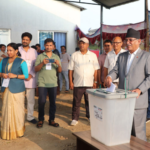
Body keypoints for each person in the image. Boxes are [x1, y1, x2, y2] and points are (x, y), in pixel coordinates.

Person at [105, 28, 150, 141]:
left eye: (131, 40)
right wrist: (110, 76)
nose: (128, 42)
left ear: (139, 41)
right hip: (123, 101)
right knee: (123, 133)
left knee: (138, 135)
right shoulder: (122, 56)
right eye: (127, 40)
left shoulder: (146, 56)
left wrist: (140, 89)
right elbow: (115, 70)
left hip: (138, 103)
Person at [68, 37, 100, 126]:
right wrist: (71, 82)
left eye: (84, 43)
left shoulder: (93, 55)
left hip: (90, 83)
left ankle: (90, 117)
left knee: (89, 101)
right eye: (80, 43)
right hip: (78, 83)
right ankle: (75, 118)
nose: (82, 45)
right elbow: (70, 70)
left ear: (88, 45)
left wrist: (96, 81)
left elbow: (96, 69)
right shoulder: (74, 55)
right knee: (76, 101)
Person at [0, 43, 28, 140]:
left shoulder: (22, 62)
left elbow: (26, 76)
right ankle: (6, 132)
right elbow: (0, 72)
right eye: (7, 50)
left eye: (11, 50)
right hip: (6, 89)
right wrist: (2, 74)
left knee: (18, 110)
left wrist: (15, 76)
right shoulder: (3, 61)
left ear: (16, 51)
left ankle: (19, 131)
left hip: (18, 90)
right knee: (5, 110)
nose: (8, 52)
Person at [35, 38, 62, 128]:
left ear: (53, 46)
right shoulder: (40, 56)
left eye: (50, 45)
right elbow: (35, 69)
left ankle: (51, 120)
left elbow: (60, 70)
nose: (49, 47)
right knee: (42, 102)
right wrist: (42, 63)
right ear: (44, 46)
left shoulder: (56, 56)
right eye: (47, 45)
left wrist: (58, 64)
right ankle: (41, 119)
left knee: (52, 102)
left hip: (53, 83)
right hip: (42, 82)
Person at [19, 32, 38, 124]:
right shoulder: (17, 50)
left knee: (30, 100)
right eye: (23, 39)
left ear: (30, 41)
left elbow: (36, 64)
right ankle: (19, 116)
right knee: (20, 99)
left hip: (30, 79)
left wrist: (30, 74)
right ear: (21, 40)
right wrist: (22, 75)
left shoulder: (34, 51)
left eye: (27, 40)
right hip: (19, 79)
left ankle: (30, 117)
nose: (25, 41)